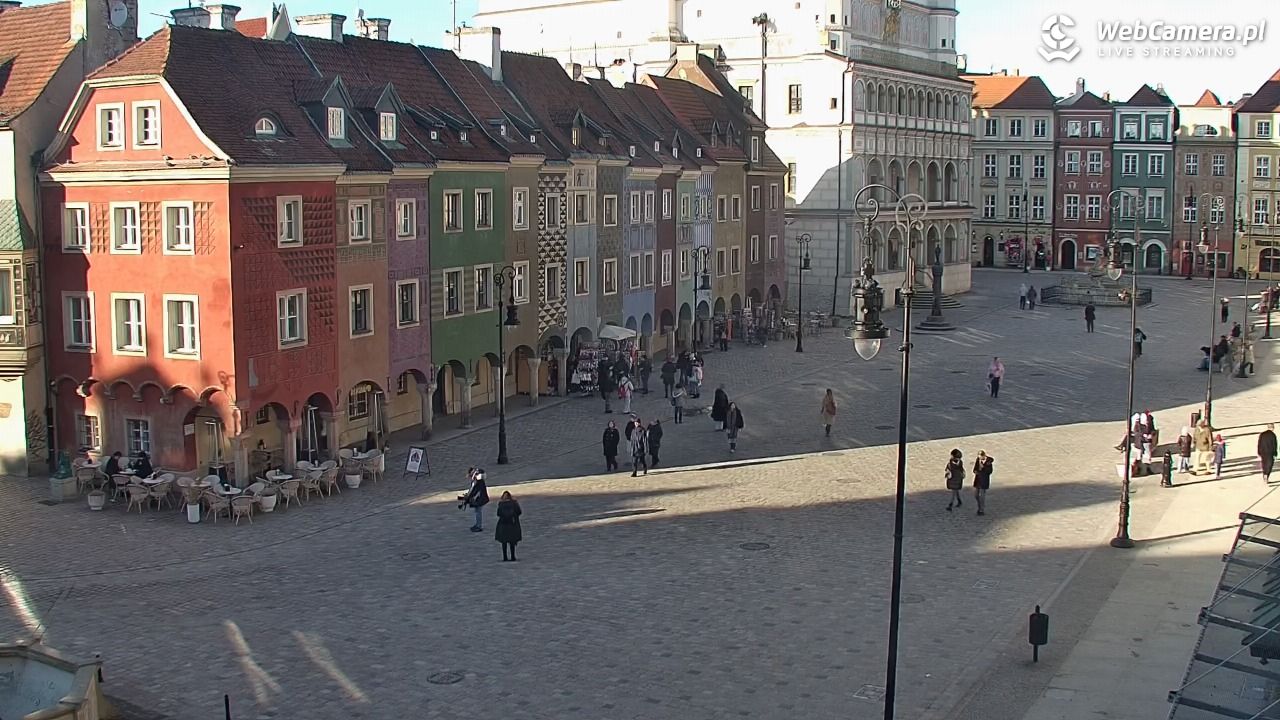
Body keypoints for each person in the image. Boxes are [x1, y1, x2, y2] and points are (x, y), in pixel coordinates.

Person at [494, 491, 523, 561]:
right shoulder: (514, 503)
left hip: (503, 524)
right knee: (512, 541)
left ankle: (505, 557)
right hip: (512, 524)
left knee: (504, 542)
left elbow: (498, 514)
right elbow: (519, 512)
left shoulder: (501, 504)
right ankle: (513, 556)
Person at [461, 468, 489, 532]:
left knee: (478, 512)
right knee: (477, 512)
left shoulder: (477, 481)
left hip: (478, 499)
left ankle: (478, 526)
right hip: (479, 498)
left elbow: (473, 490)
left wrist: (468, 496)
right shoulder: (478, 480)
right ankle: (477, 525)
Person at [972, 451, 993, 516]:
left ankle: (981, 510)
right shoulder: (978, 460)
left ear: (984, 456)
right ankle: (980, 506)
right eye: (979, 458)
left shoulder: (989, 462)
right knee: (976, 495)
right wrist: (975, 471)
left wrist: (983, 467)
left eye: (981, 457)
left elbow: (990, 471)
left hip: (984, 480)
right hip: (978, 479)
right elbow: (975, 468)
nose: (980, 459)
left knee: (982, 496)